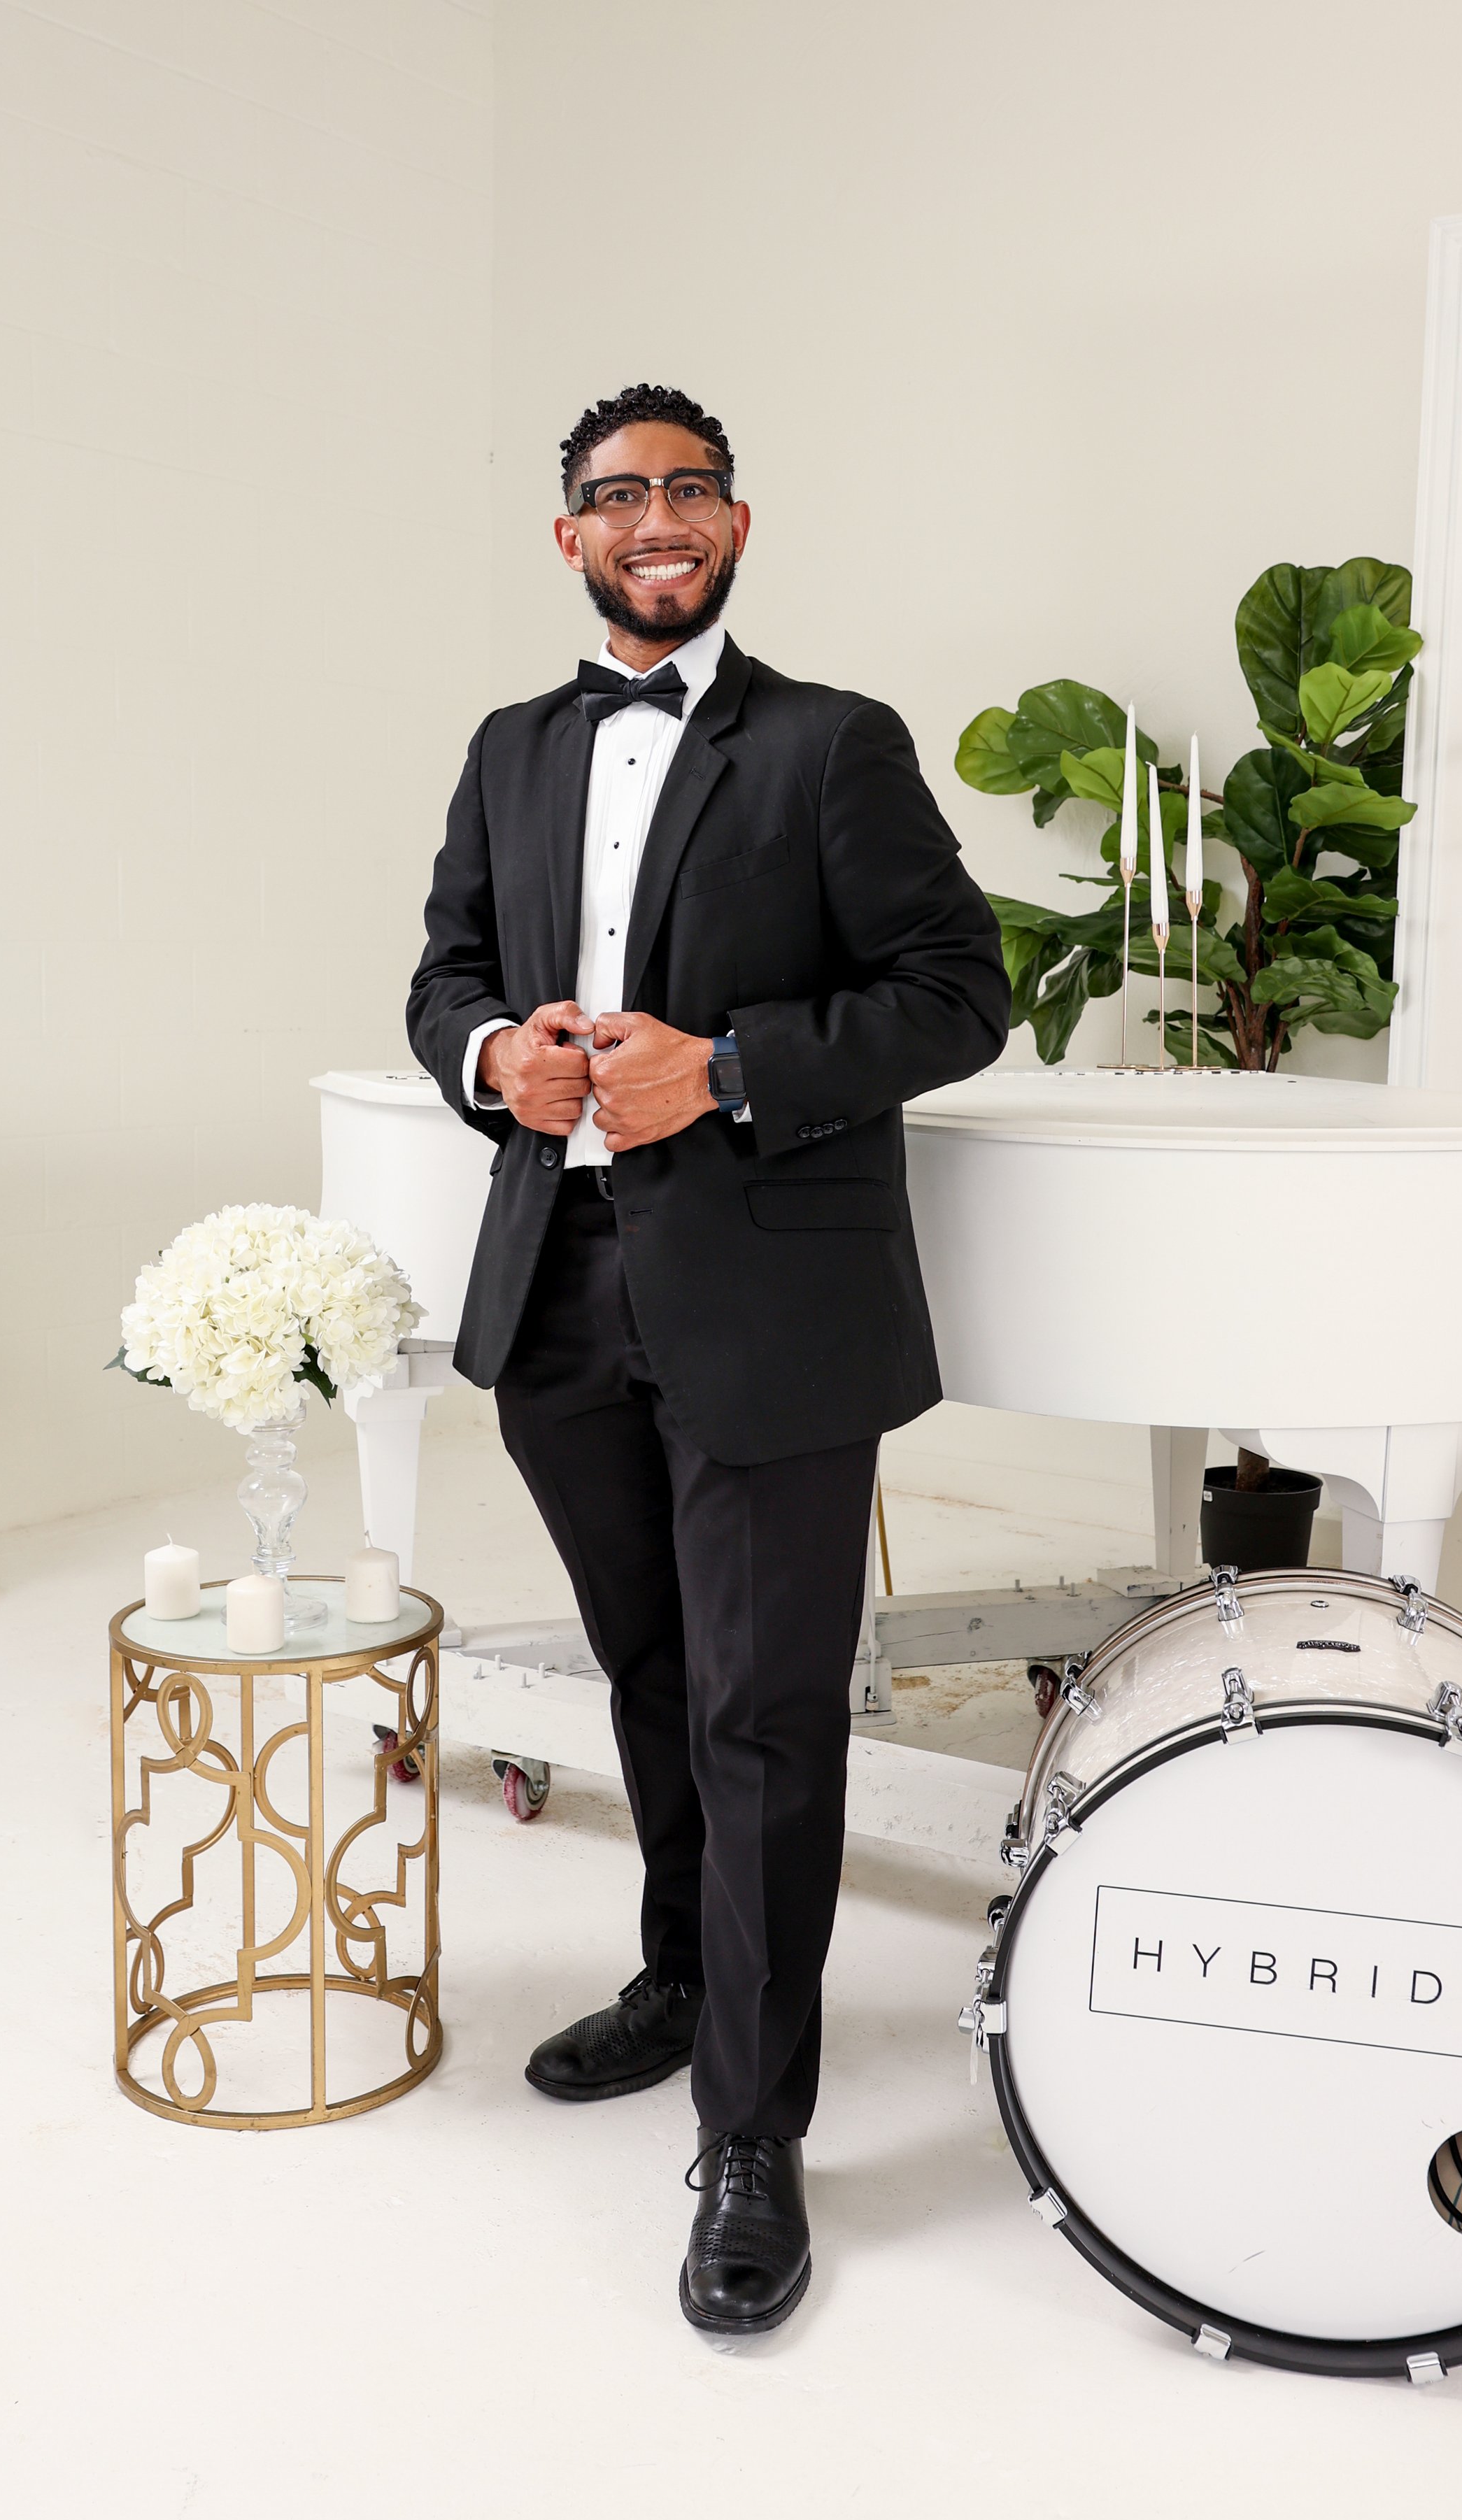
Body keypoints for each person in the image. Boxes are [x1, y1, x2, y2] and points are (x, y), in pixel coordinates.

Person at [407, 383, 1009, 2334]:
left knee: (763, 1714)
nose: (655, 517)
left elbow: (953, 995)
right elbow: (445, 974)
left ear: (732, 523)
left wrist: (728, 1069)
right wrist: (492, 1058)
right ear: (569, 538)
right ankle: (682, 1979)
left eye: (688, 488)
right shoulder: (509, 748)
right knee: (653, 1679)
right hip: (556, 1285)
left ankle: (752, 2137)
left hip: (768, 1297)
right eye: (616, 495)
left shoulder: (831, 745)